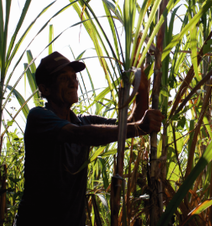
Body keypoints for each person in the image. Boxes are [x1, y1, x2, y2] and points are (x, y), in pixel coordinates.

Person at [15, 51, 163, 226]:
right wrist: (139, 127)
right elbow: (81, 134)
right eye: (64, 78)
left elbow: (129, 124)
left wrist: (142, 89)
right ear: (44, 89)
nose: (73, 82)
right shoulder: (39, 117)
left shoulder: (83, 121)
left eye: (74, 77)